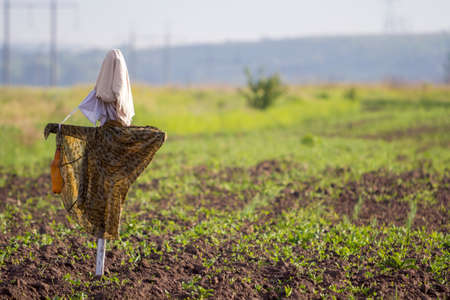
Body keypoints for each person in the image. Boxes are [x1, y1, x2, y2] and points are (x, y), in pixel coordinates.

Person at [44, 49, 166, 240]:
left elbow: (157, 136)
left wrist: (57, 128)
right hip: (104, 158)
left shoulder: (102, 129)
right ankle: (101, 235)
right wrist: (58, 129)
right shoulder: (111, 131)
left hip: (104, 156)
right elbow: (158, 136)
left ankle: (102, 234)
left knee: (103, 197)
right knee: (101, 198)